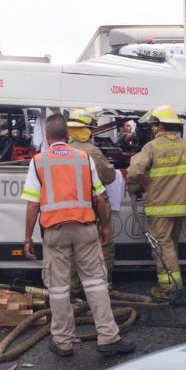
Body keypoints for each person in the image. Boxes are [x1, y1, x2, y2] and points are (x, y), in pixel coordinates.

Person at [22, 114, 135, 357]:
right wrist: (104, 226)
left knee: (59, 289)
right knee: (95, 283)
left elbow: (33, 204)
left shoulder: (38, 162)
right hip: (85, 229)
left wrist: (28, 238)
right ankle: (108, 337)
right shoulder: (83, 158)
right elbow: (100, 197)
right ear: (68, 135)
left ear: (48, 136)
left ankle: (63, 342)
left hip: (55, 232)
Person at [127, 105, 186, 301]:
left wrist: (146, 182)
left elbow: (134, 172)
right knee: (171, 244)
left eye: (154, 125)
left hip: (159, 207)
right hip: (182, 207)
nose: (152, 129)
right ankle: (174, 282)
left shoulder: (151, 147)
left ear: (160, 126)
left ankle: (169, 288)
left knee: (163, 246)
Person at [67, 108, 117, 288]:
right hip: (94, 207)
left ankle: (74, 284)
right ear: (88, 129)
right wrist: (109, 166)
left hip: (69, 208)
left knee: (73, 248)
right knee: (103, 246)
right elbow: (109, 178)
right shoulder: (92, 152)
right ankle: (103, 284)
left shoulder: (59, 151)